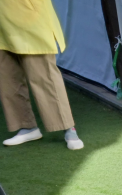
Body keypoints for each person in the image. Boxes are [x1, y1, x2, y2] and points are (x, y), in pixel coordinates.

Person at [0, 0, 83, 150]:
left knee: (44, 76)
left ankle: (68, 127)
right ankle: (26, 126)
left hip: (30, 15)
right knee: (7, 77)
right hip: (2, 19)